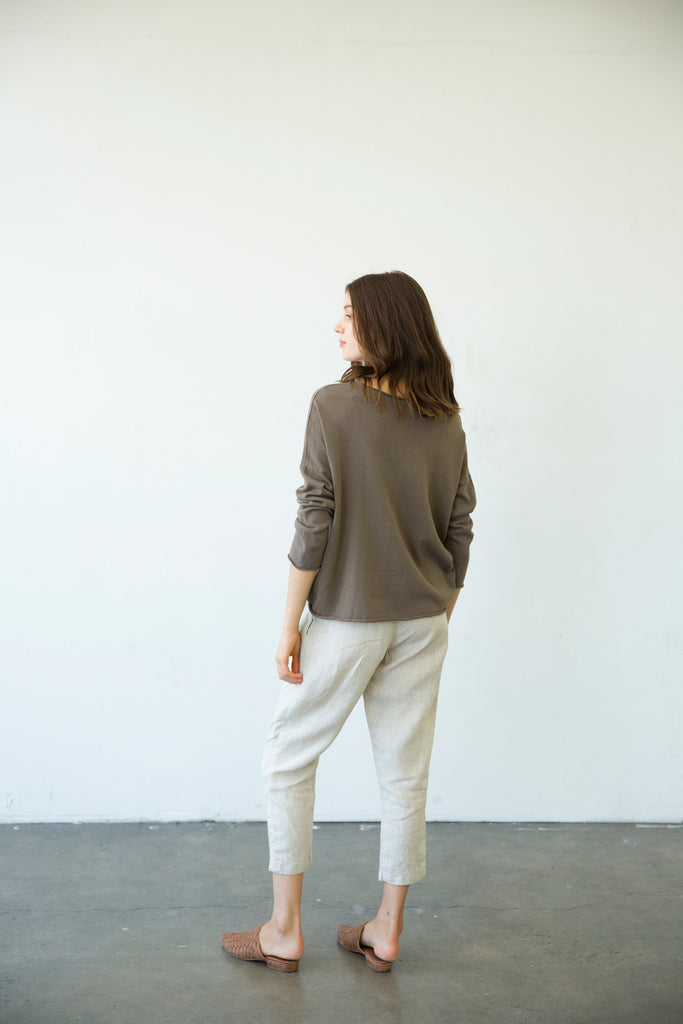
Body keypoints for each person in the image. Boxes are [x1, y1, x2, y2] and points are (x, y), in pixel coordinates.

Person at [221, 270, 476, 973]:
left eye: (349, 316)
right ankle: (385, 931)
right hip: (423, 620)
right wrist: (438, 611)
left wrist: (289, 624)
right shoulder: (445, 417)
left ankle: (283, 930)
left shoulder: (332, 406)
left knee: (288, 757)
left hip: (348, 619)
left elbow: (315, 517)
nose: (337, 328)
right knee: (404, 775)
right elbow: (460, 526)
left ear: (384, 326)